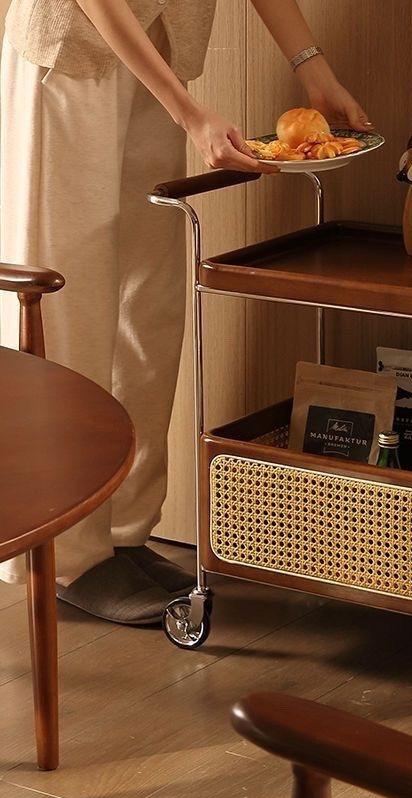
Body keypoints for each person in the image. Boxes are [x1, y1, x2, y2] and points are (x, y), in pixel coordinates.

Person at [0, 0, 371, 624]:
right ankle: (65, 551)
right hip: (69, 58)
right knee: (72, 307)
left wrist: (313, 69)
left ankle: (124, 528)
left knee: (149, 305)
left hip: (158, 54)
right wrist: (189, 112)